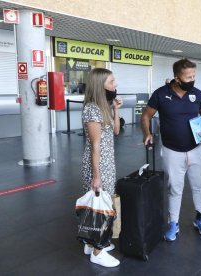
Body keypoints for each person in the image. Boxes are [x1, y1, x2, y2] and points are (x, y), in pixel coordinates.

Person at [140, 58, 201, 242]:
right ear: (177, 78)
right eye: (189, 77)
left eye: (194, 76)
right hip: (172, 150)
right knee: (175, 188)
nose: (193, 79)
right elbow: (146, 116)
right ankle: (174, 223)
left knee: (199, 187)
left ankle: (200, 217)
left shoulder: (196, 94)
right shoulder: (161, 94)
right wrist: (147, 133)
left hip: (196, 149)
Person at [81, 68, 122, 267]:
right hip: (98, 166)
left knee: (99, 207)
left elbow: (115, 131)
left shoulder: (103, 105)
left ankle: (91, 244)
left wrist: (116, 108)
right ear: (100, 85)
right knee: (103, 209)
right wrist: (96, 176)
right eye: (112, 82)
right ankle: (98, 251)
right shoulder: (92, 109)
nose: (115, 85)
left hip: (106, 164)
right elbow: (95, 145)